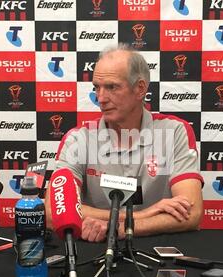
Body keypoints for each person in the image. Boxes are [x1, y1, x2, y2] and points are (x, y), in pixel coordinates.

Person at [47, 43, 203, 242]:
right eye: (97, 87)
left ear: (140, 89)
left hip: (156, 250)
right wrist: (141, 215)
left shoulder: (174, 131)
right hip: (95, 252)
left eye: (112, 87)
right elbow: (53, 212)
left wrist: (119, 228)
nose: (100, 98)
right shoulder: (78, 138)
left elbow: (192, 213)